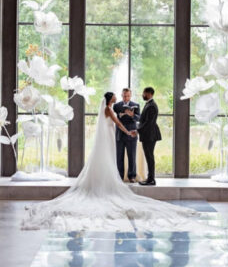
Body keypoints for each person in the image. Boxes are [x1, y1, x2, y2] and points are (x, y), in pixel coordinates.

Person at [22, 92, 212, 233]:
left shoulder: (112, 108)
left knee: (109, 161)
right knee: (110, 161)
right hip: (111, 139)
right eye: (114, 96)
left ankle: (106, 181)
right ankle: (106, 184)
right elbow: (117, 123)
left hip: (109, 139)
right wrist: (127, 130)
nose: (116, 97)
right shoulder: (109, 109)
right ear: (110, 99)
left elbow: (121, 120)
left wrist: (130, 125)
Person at [113, 88, 140, 182]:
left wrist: (132, 115)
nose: (126, 97)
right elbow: (115, 117)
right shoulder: (116, 106)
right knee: (119, 156)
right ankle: (119, 176)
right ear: (121, 95)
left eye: (128, 96)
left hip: (132, 133)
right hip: (120, 133)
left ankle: (131, 176)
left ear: (130, 95)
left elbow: (139, 118)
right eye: (124, 95)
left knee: (132, 156)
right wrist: (122, 114)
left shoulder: (136, 105)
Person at [137, 87, 161, 186]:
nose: (143, 95)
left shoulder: (151, 106)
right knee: (149, 156)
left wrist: (137, 130)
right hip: (148, 134)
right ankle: (150, 178)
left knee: (150, 157)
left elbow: (148, 123)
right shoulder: (149, 104)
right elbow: (144, 119)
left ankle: (151, 179)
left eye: (144, 93)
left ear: (149, 94)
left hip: (150, 135)